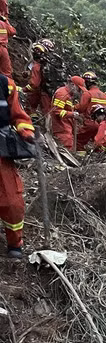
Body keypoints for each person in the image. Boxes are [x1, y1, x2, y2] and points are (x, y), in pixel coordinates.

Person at [0, 75, 35, 258]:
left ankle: (15, 243)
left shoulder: (5, 84)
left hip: (1, 153)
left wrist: (26, 132)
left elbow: (19, 115)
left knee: (12, 202)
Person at [75, 71, 106, 151]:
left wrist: (73, 107)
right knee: (98, 145)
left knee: (79, 142)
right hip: (102, 125)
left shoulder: (88, 94)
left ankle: (79, 159)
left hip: (90, 123)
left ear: (87, 83)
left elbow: (81, 108)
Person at [50, 76, 85, 150]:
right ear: (72, 85)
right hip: (61, 129)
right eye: (78, 89)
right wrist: (72, 115)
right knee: (65, 148)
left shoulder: (69, 96)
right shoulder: (62, 94)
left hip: (66, 128)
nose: (79, 92)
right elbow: (56, 111)